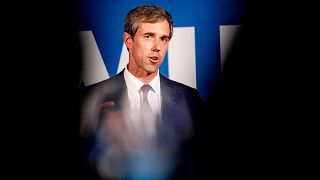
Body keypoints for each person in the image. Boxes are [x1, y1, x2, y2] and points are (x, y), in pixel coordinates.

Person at [79, 5, 205, 179]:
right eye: (148, 37)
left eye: (164, 39)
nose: (157, 47)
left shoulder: (189, 98)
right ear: (128, 40)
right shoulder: (92, 98)